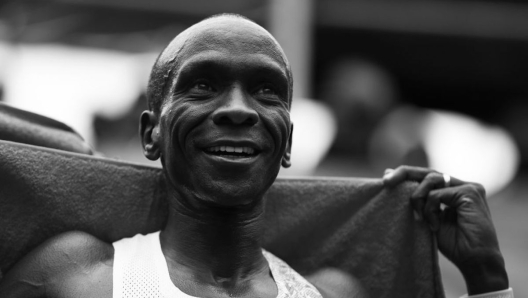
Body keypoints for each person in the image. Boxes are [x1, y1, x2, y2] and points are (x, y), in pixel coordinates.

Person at [0, 14, 511, 298]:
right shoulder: (76, 276)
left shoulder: (331, 295)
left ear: (286, 143)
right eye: (203, 85)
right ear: (151, 134)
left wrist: (487, 278)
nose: (239, 110)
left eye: (266, 91)